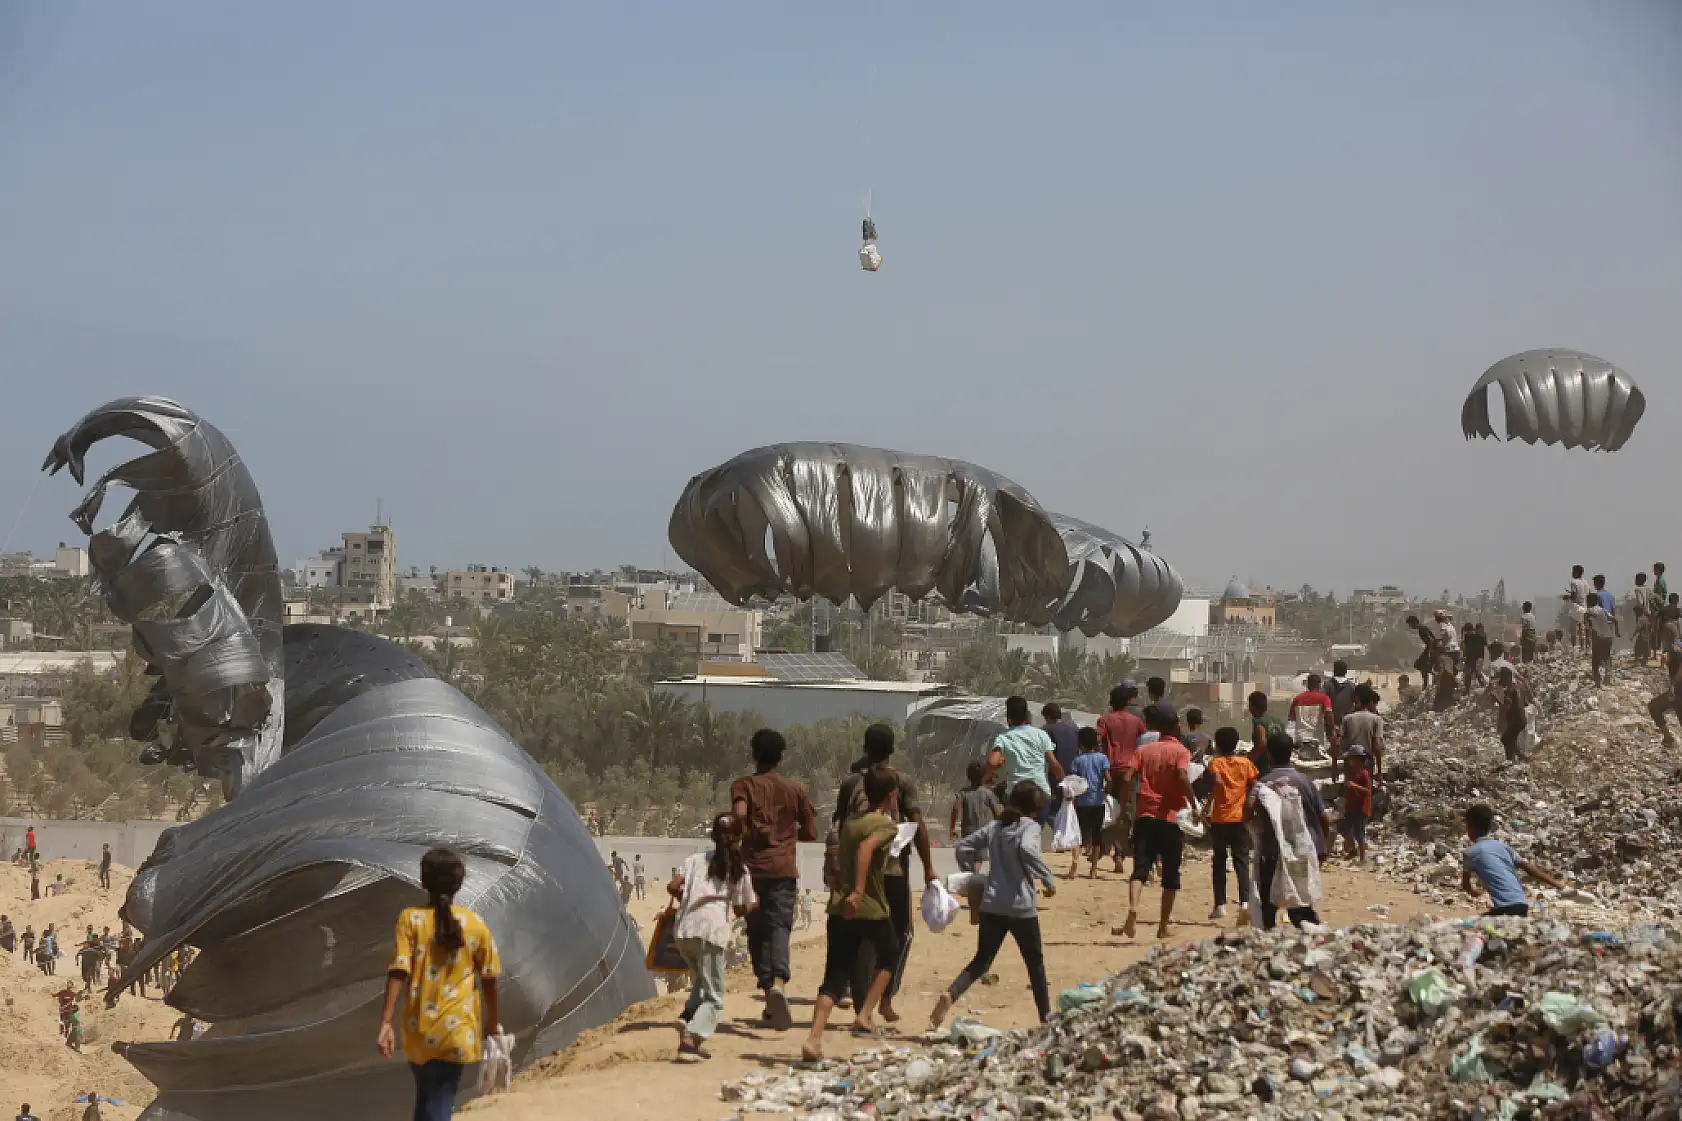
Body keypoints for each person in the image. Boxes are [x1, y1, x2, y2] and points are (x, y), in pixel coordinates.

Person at [377, 846, 503, 1121]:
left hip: (418, 1029)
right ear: (459, 883)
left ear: (424, 881)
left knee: (426, 1100)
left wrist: (386, 1023)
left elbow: (398, 970)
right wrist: (493, 1024)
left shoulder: (410, 919)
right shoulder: (475, 924)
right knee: (438, 1102)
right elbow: (490, 978)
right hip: (456, 1032)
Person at [929, 781, 1057, 1031]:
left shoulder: (995, 827)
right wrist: (1048, 879)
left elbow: (963, 847)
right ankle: (1046, 1018)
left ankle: (951, 993)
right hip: (1021, 907)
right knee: (1035, 963)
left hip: (992, 905)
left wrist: (973, 876)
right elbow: (1028, 850)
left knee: (982, 961)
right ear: (1034, 809)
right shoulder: (1029, 827)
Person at [831, 724, 936, 1024]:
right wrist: (929, 867)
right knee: (900, 935)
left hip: (859, 873)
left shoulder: (851, 783)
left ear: (865, 747)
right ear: (892, 750)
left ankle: (863, 1002)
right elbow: (917, 825)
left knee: (864, 938)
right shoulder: (901, 781)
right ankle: (884, 1000)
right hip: (893, 872)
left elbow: (839, 826)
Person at [804, 766, 900, 1061]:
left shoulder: (849, 822)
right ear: (890, 796)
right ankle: (866, 1014)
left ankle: (813, 1038)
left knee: (835, 975)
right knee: (890, 954)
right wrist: (859, 892)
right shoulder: (884, 825)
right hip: (869, 907)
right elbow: (865, 851)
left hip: (839, 906)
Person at [730, 728, 817, 1030]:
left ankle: (768, 991)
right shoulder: (794, 789)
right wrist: (788, 834)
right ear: (781, 757)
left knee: (756, 932)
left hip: (752, 870)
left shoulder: (744, 785)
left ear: (754, 755)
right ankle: (779, 983)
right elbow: (811, 831)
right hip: (783, 869)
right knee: (780, 926)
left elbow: (739, 814)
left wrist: (746, 832)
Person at [669, 813, 757, 1060]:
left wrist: (690, 904)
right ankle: (691, 1038)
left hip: (685, 928)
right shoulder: (739, 870)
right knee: (715, 996)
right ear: (739, 838)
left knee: (700, 979)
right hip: (712, 931)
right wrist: (755, 904)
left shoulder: (695, 860)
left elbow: (674, 886)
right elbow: (741, 907)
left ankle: (689, 1016)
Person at [1117, 703, 1195, 941]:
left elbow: (1128, 776)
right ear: (1177, 727)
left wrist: (1124, 805)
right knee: (1170, 875)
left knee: (1140, 869)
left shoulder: (1144, 750)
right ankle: (1162, 925)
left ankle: (1133, 908)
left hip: (1145, 816)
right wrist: (1193, 803)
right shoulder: (1181, 752)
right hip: (1171, 818)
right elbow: (1182, 776)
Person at [1250, 735, 1328, 930]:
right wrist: (1322, 846)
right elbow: (1323, 818)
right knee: (1300, 900)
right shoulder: (1305, 781)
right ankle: (1310, 934)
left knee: (1268, 904)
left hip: (1272, 852)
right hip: (1302, 851)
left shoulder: (1263, 784)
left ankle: (1268, 940)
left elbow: (1250, 816)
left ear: (1268, 754)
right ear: (1291, 752)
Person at [1461, 803, 1564, 916]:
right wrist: (1557, 884)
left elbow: (1465, 885)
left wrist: (1473, 892)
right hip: (1522, 906)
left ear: (1471, 827)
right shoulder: (1504, 847)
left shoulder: (1470, 853)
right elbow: (1529, 868)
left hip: (1504, 909)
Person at [1202, 726, 1256, 923]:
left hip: (1220, 818)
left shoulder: (1215, 763)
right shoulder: (1246, 763)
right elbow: (1254, 785)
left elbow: (1216, 783)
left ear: (1217, 744)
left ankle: (1220, 905)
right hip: (1240, 818)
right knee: (1241, 859)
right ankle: (1244, 902)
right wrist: (1250, 805)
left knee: (1219, 860)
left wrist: (1206, 806)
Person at [1097, 684, 1146, 874]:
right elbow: (1143, 740)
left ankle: (1105, 849)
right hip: (1131, 772)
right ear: (1128, 702)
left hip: (1110, 771)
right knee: (1125, 813)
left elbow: (1097, 739)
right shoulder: (1136, 721)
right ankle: (1119, 854)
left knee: (1109, 811)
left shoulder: (1105, 720)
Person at [985, 696, 1064, 798]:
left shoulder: (1003, 738)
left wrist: (989, 774)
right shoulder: (1041, 734)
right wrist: (1063, 780)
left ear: (1009, 718)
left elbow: (992, 762)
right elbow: (1054, 765)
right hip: (1039, 793)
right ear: (1026, 715)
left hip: (1017, 794)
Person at [1065, 727, 1110, 880]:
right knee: (1097, 834)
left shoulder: (1077, 760)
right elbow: (1108, 779)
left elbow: (1073, 781)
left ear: (1081, 744)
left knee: (1078, 834)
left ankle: (1075, 866)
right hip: (1098, 801)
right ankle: (1093, 870)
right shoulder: (1102, 758)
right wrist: (1106, 792)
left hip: (1082, 802)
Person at [1287, 673, 1338, 770]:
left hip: (1300, 738)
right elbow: (1329, 713)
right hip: (1317, 738)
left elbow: (1291, 718)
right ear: (1319, 685)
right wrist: (1332, 729)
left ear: (1307, 684)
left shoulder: (1297, 699)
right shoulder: (1324, 698)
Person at [1648, 607, 1682, 747]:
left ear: (1667, 632)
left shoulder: (1676, 648)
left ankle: (1668, 738)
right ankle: (1668, 739)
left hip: (1679, 691)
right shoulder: (1673, 647)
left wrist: (1673, 684)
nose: (1660, 635)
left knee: (1654, 706)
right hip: (1678, 693)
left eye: (1661, 632)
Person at [1041, 703, 1081, 822]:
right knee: (1070, 806)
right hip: (1074, 773)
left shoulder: (1047, 730)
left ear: (1048, 717)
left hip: (1057, 773)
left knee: (1057, 809)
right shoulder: (1074, 729)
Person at [948, 758, 1000, 846]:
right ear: (984, 775)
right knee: (982, 856)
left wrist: (952, 828)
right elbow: (997, 814)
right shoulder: (988, 793)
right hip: (983, 831)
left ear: (968, 776)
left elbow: (956, 809)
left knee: (969, 855)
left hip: (968, 832)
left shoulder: (963, 792)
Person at [1340, 684, 1386, 783]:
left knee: (1350, 791)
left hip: (1350, 762)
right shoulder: (1376, 719)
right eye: (1374, 703)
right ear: (1370, 702)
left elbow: (1337, 742)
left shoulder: (1347, 718)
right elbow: (1377, 747)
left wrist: (1335, 766)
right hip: (1366, 762)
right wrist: (1379, 771)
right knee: (1365, 792)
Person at [1485, 666, 1531, 762]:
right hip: (1518, 720)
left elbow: (1506, 708)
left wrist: (1496, 699)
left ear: (1507, 678)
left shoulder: (1509, 691)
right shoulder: (1514, 687)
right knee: (1509, 740)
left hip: (1516, 721)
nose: (1500, 682)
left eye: (1502, 679)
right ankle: (1518, 758)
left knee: (1506, 740)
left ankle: (1514, 759)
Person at [1340, 748, 1372, 863]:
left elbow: (1368, 791)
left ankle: (1362, 859)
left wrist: (1354, 786)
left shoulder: (1364, 774)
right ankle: (1353, 851)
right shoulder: (1352, 773)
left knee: (1359, 833)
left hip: (1360, 808)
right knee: (1345, 830)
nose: (1350, 762)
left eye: (1352, 759)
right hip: (1351, 807)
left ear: (1359, 761)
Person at [1586, 592, 1620, 687]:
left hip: (1598, 638)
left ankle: (1597, 682)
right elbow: (1615, 619)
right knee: (1607, 657)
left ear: (1588, 601)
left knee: (1595, 660)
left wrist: (1588, 640)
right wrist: (1616, 631)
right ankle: (1607, 676)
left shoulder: (1588, 612)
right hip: (1608, 637)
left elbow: (1588, 628)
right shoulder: (1603, 610)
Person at [1247, 691, 1285, 758]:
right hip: (1278, 760)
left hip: (1264, 762)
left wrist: (1248, 758)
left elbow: (1262, 744)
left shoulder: (1259, 722)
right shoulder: (1278, 721)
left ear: (1253, 707)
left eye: (1249, 705)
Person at [1563, 565, 1591, 650]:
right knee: (1583, 629)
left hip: (1577, 607)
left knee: (1573, 629)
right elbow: (1588, 594)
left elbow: (1574, 596)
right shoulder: (1586, 583)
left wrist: (1566, 597)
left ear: (1576, 572)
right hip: (1585, 607)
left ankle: (1574, 646)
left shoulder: (1574, 582)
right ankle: (1584, 646)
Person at [1406, 615, 1436, 692]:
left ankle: (1428, 684)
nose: (1410, 627)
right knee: (1420, 665)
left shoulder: (1422, 629)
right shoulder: (1422, 628)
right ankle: (1427, 684)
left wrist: (1430, 652)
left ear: (1413, 623)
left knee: (1422, 665)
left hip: (1432, 648)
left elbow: (1431, 640)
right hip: (1430, 648)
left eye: (1410, 624)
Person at [1630, 573, 1653, 664]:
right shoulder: (1648, 589)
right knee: (1646, 635)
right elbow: (1651, 600)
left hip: (1642, 613)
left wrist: (1638, 611)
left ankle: (1639, 655)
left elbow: (1640, 602)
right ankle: (1645, 655)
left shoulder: (1638, 589)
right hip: (1648, 614)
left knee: (1641, 634)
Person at [1462, 623, 1487, 693]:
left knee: (1478, 673)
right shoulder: (1466, 636)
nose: (1467, 633)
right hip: (1470, 658)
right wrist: (1464, 655)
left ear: (1471, 630)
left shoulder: (1478, 636)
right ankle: (1467, 690)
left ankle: (1484, 688)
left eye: (1468, 631)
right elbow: (1466, 647)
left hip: (1478, 657)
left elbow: (1485, 644)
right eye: (1466, 632)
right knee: (1467, 674)